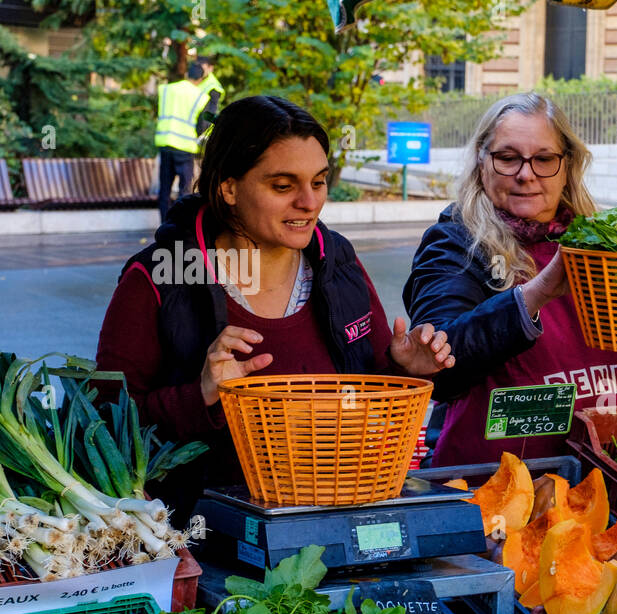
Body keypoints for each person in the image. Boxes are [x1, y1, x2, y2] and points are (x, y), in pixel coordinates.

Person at [98, 95, 453, 520]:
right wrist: (202, 395)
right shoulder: (162, 276)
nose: (309, 202)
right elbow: (103, 424)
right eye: (283, 186)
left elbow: (368, 393)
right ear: (229, 187)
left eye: (319, 182)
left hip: (332, 519)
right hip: (198, 538)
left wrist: (402, 370)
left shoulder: (336, 262)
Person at [402, 92, 617, 467]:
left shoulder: (608, 243)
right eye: (507, 158)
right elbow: (442, 369)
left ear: (567, 165)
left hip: (606, 471)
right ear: (481, 162)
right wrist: (537, 293)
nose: (526, 174)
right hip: (493, 484)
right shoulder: (457, 244)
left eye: (544, 159)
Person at [154, 62, 206, 221]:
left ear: (187, 74)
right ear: (201, 78)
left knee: (165, 189)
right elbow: (202, 125)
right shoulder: (200, 96)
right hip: (185, 147)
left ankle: (164, 225)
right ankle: (179, 225)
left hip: (165, 144)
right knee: (184, 191)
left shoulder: (167, 89)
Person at [194, 56, 225, 141]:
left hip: (200, 132)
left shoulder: (213, 87)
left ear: (210, 68)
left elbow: (208, 114)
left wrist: (199, 135)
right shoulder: (196, 80)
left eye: (202, 68)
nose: (199, 71)